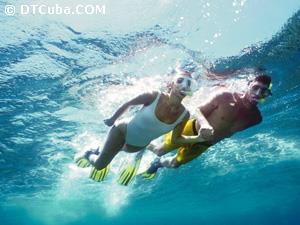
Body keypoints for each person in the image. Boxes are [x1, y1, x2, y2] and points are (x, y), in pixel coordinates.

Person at [75, 69, 209, 185]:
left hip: (136, 146)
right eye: (180, 81)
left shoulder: (184, 115)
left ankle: (102, 150)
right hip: (121, 132)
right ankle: (89, 153)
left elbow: (176, 140)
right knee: (99, 165)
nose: (184, 86)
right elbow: (129, 103)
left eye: (189, 84)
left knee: (115, 151)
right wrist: (112, 119)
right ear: (171, 84)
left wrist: (199, 138)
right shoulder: (154, 95)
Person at [142, 73, 272, 179]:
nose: (258, 93)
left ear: (267, 94)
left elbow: (229, 130)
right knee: (160, 150)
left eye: (264, 91)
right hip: (189, 130)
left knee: (175, 164)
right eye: (255, 87)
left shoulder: (256, 119)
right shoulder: (225, 96)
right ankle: (139, 138)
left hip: (204, 144)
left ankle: (157, 164)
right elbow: (197, 110)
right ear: (248, 85)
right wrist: (204, 125)